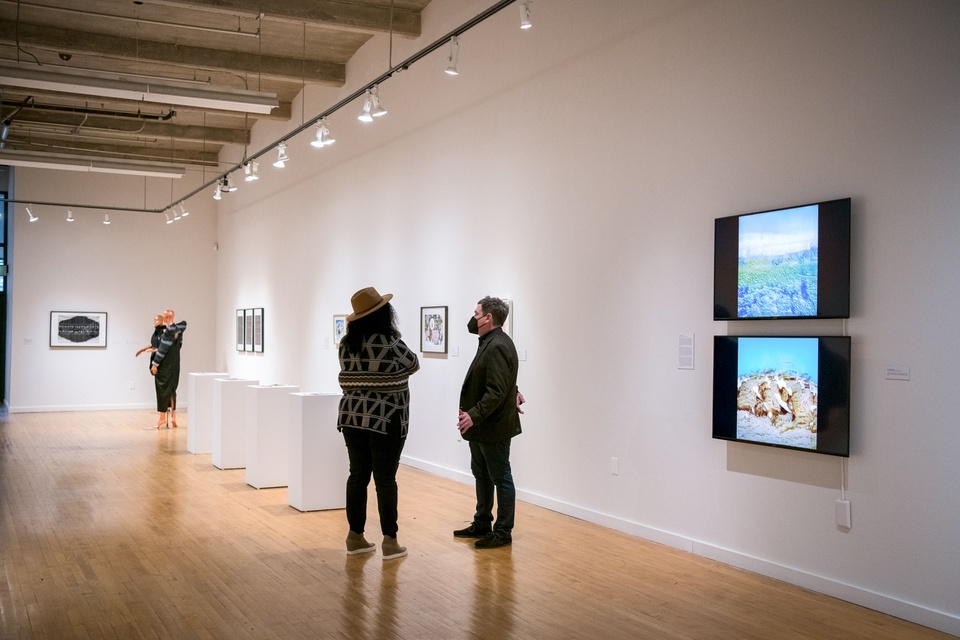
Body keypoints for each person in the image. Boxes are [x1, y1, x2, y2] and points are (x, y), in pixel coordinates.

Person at [338, 287, 420, 560]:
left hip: (351, 419)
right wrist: (387, 383)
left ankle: (355, 536)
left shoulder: (346, 346)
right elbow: (414, 364)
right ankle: (390, 541)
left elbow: (347, 380)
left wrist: (365, 383)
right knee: (385, 479)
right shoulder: (391, 344)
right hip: (386, 420)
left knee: (357, 475)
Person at [455, 296, 524, 549]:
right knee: (481, 474)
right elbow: (502, 382)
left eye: (476, 313)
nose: (473, 318)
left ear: (489, 318)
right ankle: (482, 522)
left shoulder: (497, 345)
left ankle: (503, 531)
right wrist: (513, 391)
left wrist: (473, 415)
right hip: (481, 427)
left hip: (492, 426)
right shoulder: (489, 341)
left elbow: (496, 390)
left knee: (500, 477)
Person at [150, 309, 187, 429]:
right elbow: (179, 346)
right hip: (175, 364)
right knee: (172, 389)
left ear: (165, 318)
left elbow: (162, 350)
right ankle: (173, 417)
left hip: (165, 365)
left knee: (162, 390)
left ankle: (162, 418)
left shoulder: (167, 333)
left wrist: (155, 364)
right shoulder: (178, 331)